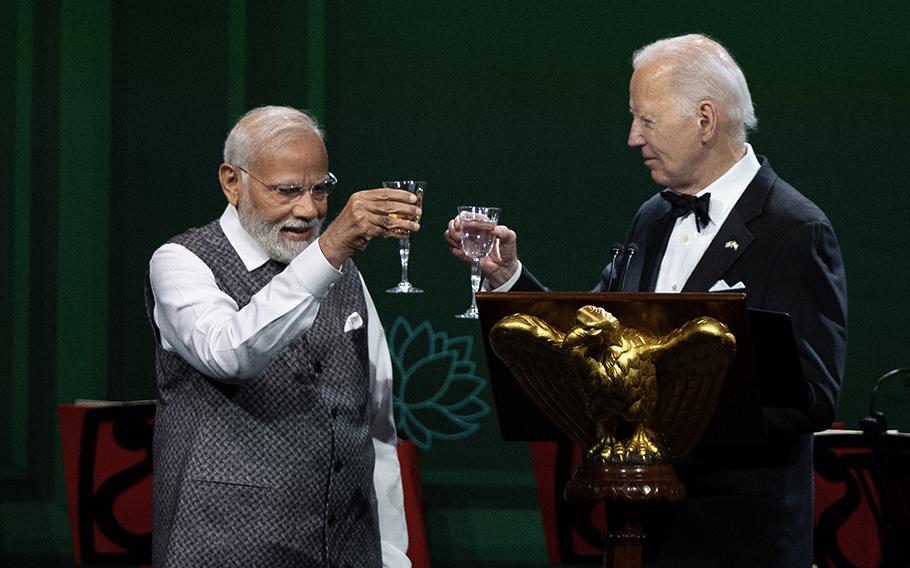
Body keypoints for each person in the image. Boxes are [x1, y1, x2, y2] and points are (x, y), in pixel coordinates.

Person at [445, 34, 847, 566]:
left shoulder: (794, 229)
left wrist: (666, 424)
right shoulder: (652, 217)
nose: (633, 137)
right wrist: (508, 277)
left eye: (647, 120)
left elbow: (811, 396)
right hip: (635, 533)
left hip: (736, 540)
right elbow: (590, 338)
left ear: (705, 120)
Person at [146, 106, 418, 567]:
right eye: (287, 191)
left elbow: (374, 424)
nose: (308, 210)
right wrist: (329, 250)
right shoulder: (180, 262)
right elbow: (229, 353)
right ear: (233, 182)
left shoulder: (343, 273)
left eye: (319, 189)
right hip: (224, 549)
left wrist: (391, 553)